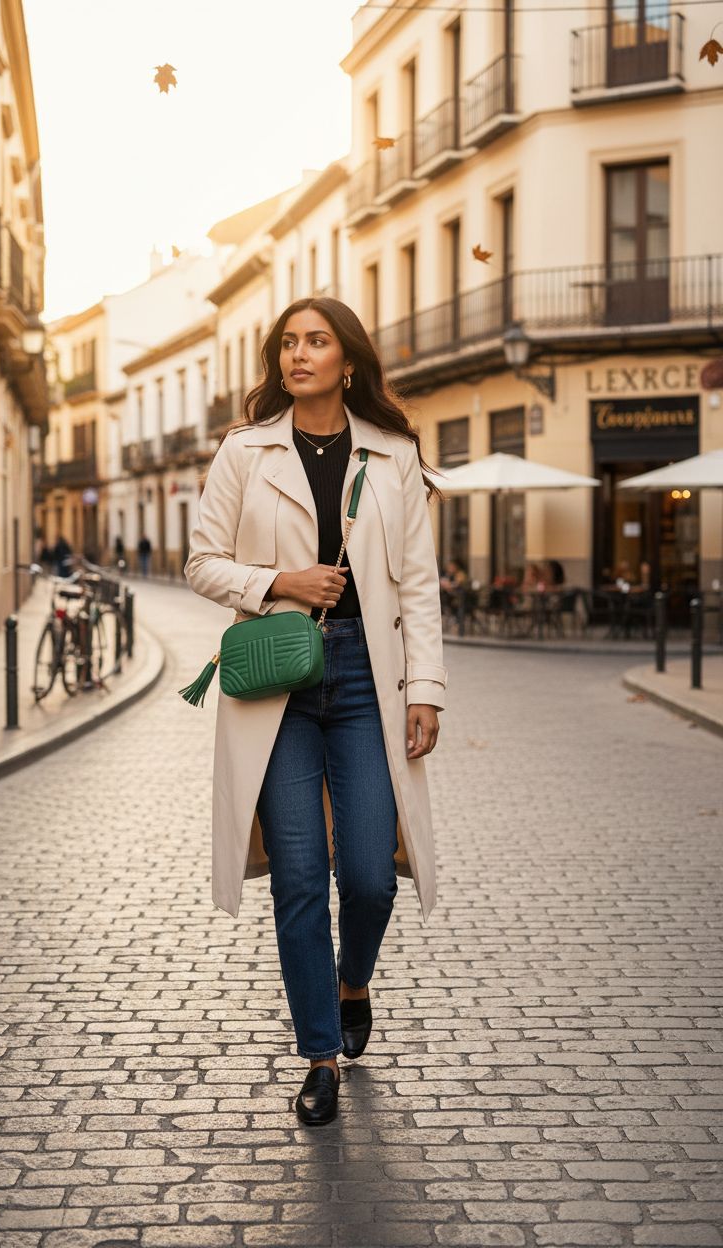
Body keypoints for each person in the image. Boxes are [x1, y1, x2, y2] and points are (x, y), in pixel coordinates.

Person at [184, 297, 447, 1126]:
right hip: (278, 683)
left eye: (317, 341)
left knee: (370, 876)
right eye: (289, 343)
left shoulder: (394, 453)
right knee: (299, 878)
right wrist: (278, 584)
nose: (300, 355)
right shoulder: (244, 451)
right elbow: (200, 562)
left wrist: (428, 689)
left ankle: (354, 979)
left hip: (370, 680)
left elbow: (416, 585)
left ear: (348, 361)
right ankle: (320, 1055)